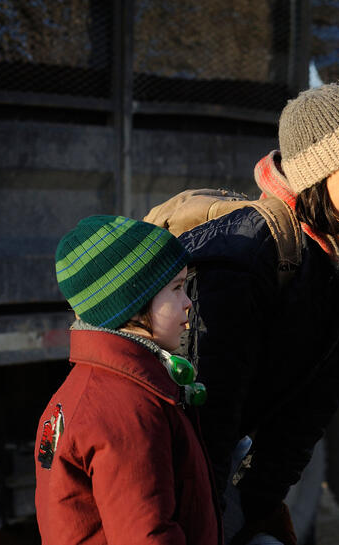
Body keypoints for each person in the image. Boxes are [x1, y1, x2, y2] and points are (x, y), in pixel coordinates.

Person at [178, 82, 339, 545]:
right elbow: (209, 421)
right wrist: (214, 527)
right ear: (316, 182)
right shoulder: (244, 257)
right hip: (178, 471)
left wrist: (253, 512)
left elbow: (311, 410)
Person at [34, 215, 221, 544]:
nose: (188, 303)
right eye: (176, 289)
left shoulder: (96, 386)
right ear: (130, 305)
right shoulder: (124, 406)